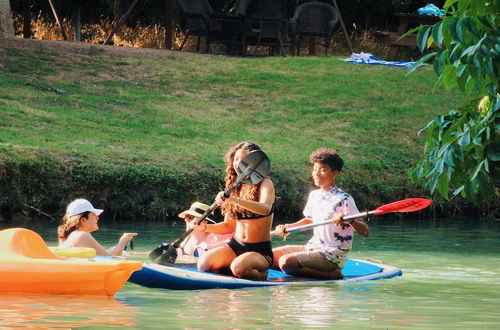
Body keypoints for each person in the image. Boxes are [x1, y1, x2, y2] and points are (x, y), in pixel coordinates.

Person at [272, 148, 369, 280]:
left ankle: (332, 274)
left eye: (322, 170)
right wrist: (288, 227)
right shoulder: (314, 196)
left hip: (332, 255)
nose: (316, 174)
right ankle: (300, 270)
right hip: (312, 248)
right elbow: (310, 221)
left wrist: (349, 220)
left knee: (286, 262)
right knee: (269, 257)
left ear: (334, 174)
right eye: (315, 169)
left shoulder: (344, 199)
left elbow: (365, 232)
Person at [190, 141, 275, 281]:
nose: (237, 164)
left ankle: (261, 272)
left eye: (242, 160)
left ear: (254, 163)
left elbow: (264, 208)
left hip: (259, 250)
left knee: (239, 268)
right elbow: (228, 226)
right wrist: (204, 227)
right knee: (204, 264)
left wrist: (233, 200)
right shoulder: (234, 187)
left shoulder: (266, 184)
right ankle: (234, 267)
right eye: (235, 159)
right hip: (235, 246)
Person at [58, 198, 137, 256]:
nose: (98, 217)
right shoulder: (82, 235)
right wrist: (123, 241)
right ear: (83, 220)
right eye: (94, 214)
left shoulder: (68, 236)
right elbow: (111, 258)